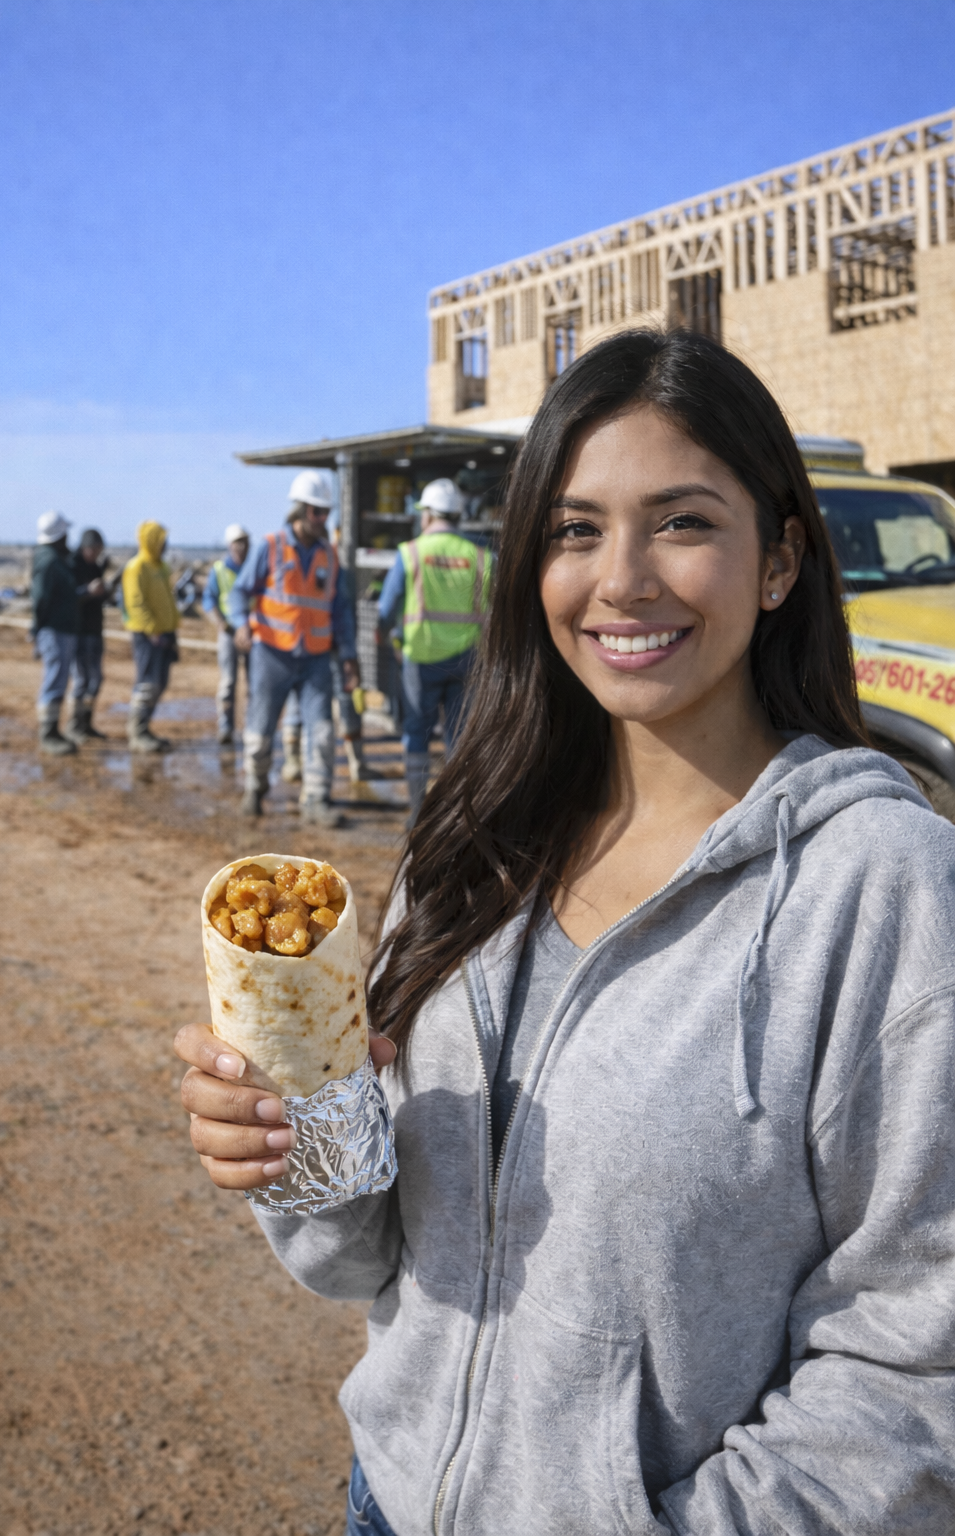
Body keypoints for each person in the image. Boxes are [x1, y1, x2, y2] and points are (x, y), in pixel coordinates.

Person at [175, 330, 955, 1536]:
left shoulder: (880, 885)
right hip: (386, 1499)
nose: (621, 578)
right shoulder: (478, 836)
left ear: (780, 560)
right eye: (575, 529)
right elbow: (365, 1257)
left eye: (684, 522)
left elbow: (916, 1361)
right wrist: (291, 1144)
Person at [228, 468, 359, 826]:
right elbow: (240, 591)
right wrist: (241, 624)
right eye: (316, 512)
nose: (322, 519)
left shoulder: (330, 557)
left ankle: (316, 799)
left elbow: (340, 610)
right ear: (299, 510)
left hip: (315, 657)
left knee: (321, 730)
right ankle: (255, 789)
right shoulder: (270, 547)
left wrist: (348, 657)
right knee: (261, 726)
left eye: (325, 512)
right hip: (271, 654)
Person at [377, 478, 491, 819]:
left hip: (421, 659)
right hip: (469, 661)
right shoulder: (482, 558)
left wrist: (386, 637)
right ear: (457, 515)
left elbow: (385, 609)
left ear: (427, 515)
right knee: (460, 737)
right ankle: (457, 814)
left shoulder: (410, 553)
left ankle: (417, 813)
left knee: (417, 733)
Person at [122, 520, 179, 753]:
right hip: (148, 635)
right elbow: (135, 603)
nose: (165, 545)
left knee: (160, 682)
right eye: (161, 540)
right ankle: (137, 731)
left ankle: (145, 727)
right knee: (147, 682)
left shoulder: (161, 567)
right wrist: (151, 630)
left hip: (165, 632)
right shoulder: (137, 568)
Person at [30, 510, 80, 756]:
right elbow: (41, 600)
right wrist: (37, 630)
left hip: (62, 629)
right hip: (54, 630)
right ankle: (48, 734)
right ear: (59, 535)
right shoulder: (49, 561)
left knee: (60, 679)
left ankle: (54, 730)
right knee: (54, 679)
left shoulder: (56, 559)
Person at [202, 523, 250, 746]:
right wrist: (220, 622)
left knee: (254, 683)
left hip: (252, 633)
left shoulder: (253, 566)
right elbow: (209, 599)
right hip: (230, 632)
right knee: (228, 681)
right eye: (237, 543)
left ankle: (252, 726)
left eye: (244, 542)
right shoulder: (220, 569)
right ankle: (226, 727)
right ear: (230, 545)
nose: (242, 547)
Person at [68, 528, 111, 743]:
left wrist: (105, 590)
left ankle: (86, 723)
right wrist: (87, 591)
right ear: (85, 547)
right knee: (81, 680)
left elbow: (99, 599)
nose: (97, 554)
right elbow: (68, 597)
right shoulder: (72, 566)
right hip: (78, 632)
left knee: (95, 679)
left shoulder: (95, 566)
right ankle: (74, 725)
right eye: (94, 550)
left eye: (99, 551)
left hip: (94, 630)